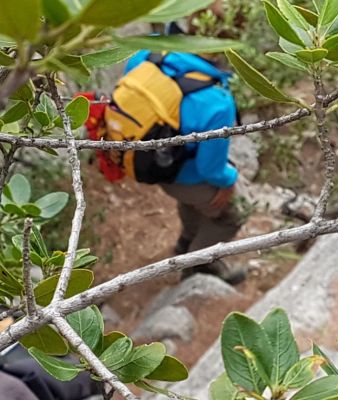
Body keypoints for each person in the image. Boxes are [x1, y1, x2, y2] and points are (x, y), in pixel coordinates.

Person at [84, 48, 249, 285]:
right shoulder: (217, 102)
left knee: (193, 200)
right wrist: (230, 180)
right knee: (236, 213)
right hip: (183, 175)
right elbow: (210, 170)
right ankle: (199, 264)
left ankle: (185, 242)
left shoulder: (146, 56)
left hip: (146, 164)